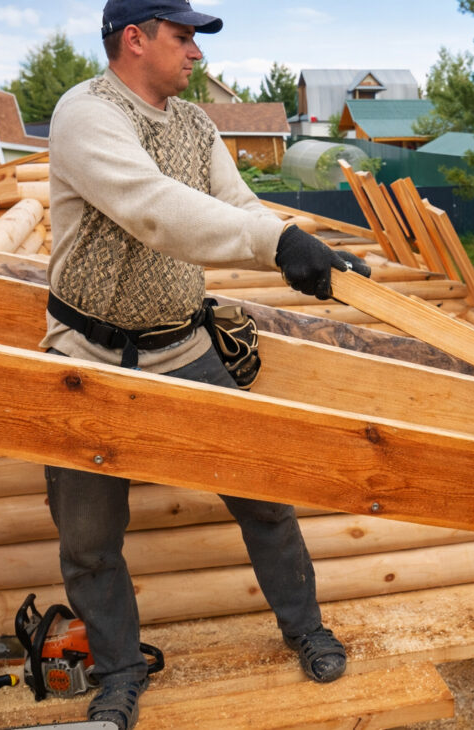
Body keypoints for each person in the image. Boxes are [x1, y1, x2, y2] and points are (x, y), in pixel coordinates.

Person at [41, 1, 371, 727]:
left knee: (264, 497)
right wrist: (276, 245)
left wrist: (302, 247)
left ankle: (305, 628)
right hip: (87, 357)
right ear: (135, 39)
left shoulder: (195, 124)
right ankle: (119, 674)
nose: (196, 53)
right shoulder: (88, 113)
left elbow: (238, 203)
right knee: (89, 539)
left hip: (183, 347)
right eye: (183, 37)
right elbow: (151, 208)